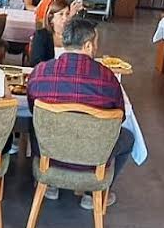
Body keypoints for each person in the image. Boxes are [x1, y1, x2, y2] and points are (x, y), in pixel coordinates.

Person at [25, 18, 133, 209]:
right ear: (88, 45)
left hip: (50, 156)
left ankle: (49, 184)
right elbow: (119, 118)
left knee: (34, 124)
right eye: (95, 43)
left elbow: (33, 109)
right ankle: (93, 193)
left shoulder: (40, 72)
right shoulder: (108, 79)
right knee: (128, 137)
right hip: (92, 159)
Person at [29, 0, 71, 67]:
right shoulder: (41, 35)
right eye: (61, 14)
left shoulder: (75, 35)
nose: (65, 18)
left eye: (67, 14)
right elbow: (36, 62)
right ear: (51, 18)